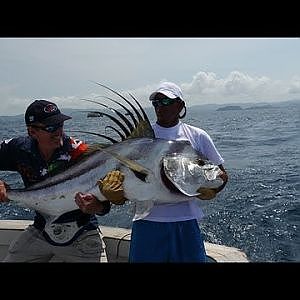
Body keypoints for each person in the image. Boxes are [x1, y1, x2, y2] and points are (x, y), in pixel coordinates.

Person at [0, 100, 120, 262]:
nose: (58, 132)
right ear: (32, 131)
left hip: (82, 234)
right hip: (41, 229)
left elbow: (104, 205)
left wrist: (95, 206)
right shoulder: (18, 148)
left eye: (60, 125)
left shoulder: (80, 153)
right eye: (50, 128)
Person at [125, 82, 228, 262]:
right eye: (156, 103)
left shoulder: (197, 136)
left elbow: (221, 174)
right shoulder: (141, 139)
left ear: (180, 105)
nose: (160, 107)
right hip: (147, 221)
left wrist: (213, 190)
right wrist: (115, 193)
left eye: (166, 102)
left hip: (186, 221)